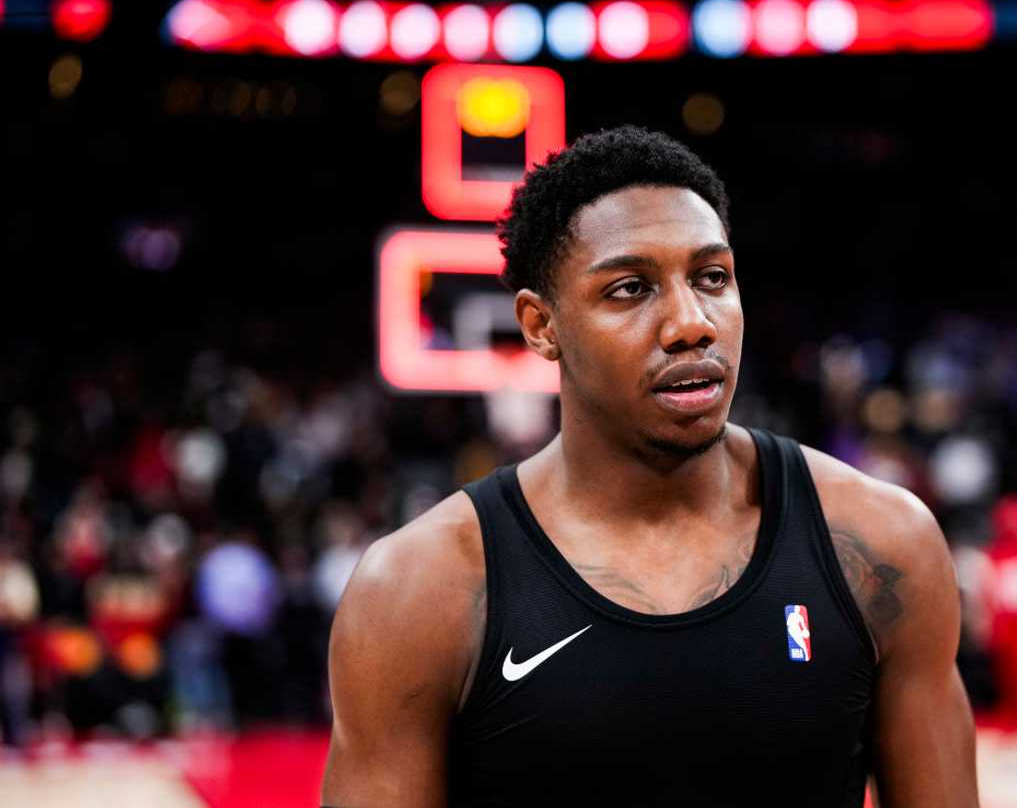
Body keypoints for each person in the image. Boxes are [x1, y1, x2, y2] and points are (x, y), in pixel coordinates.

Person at [321, 126, 978, 807]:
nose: (691, 322)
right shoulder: (419, 588)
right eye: (631, 289)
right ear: (541, 326)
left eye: (712, 278)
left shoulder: (882, 542)